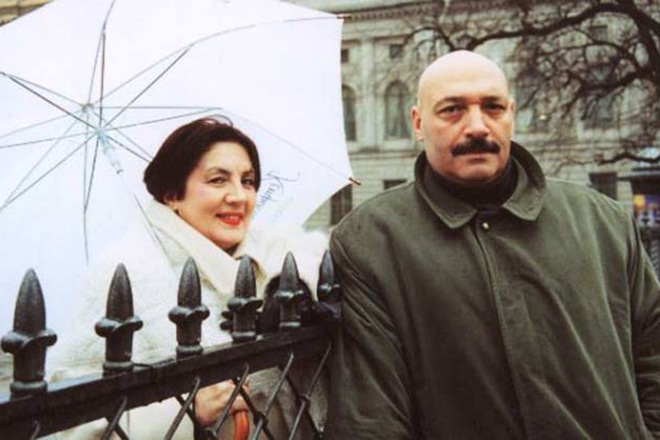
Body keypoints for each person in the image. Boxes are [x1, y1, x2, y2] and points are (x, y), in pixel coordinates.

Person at [325, 50, 660, 439]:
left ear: (511, 114)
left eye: (493, 107)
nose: (477, 126)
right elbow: (372, 418)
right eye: (452, 110)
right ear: (417, 122)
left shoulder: (603, 221)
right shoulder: (369, 241)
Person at [49, 117, 328, 439]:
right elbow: (69, 423)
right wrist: (186, 410)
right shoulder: (127, 272)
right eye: (218, 180)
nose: (239, 196)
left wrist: (293, 288)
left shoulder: (272, 248)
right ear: (172, 194)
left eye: (248, 181)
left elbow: (325, 258)